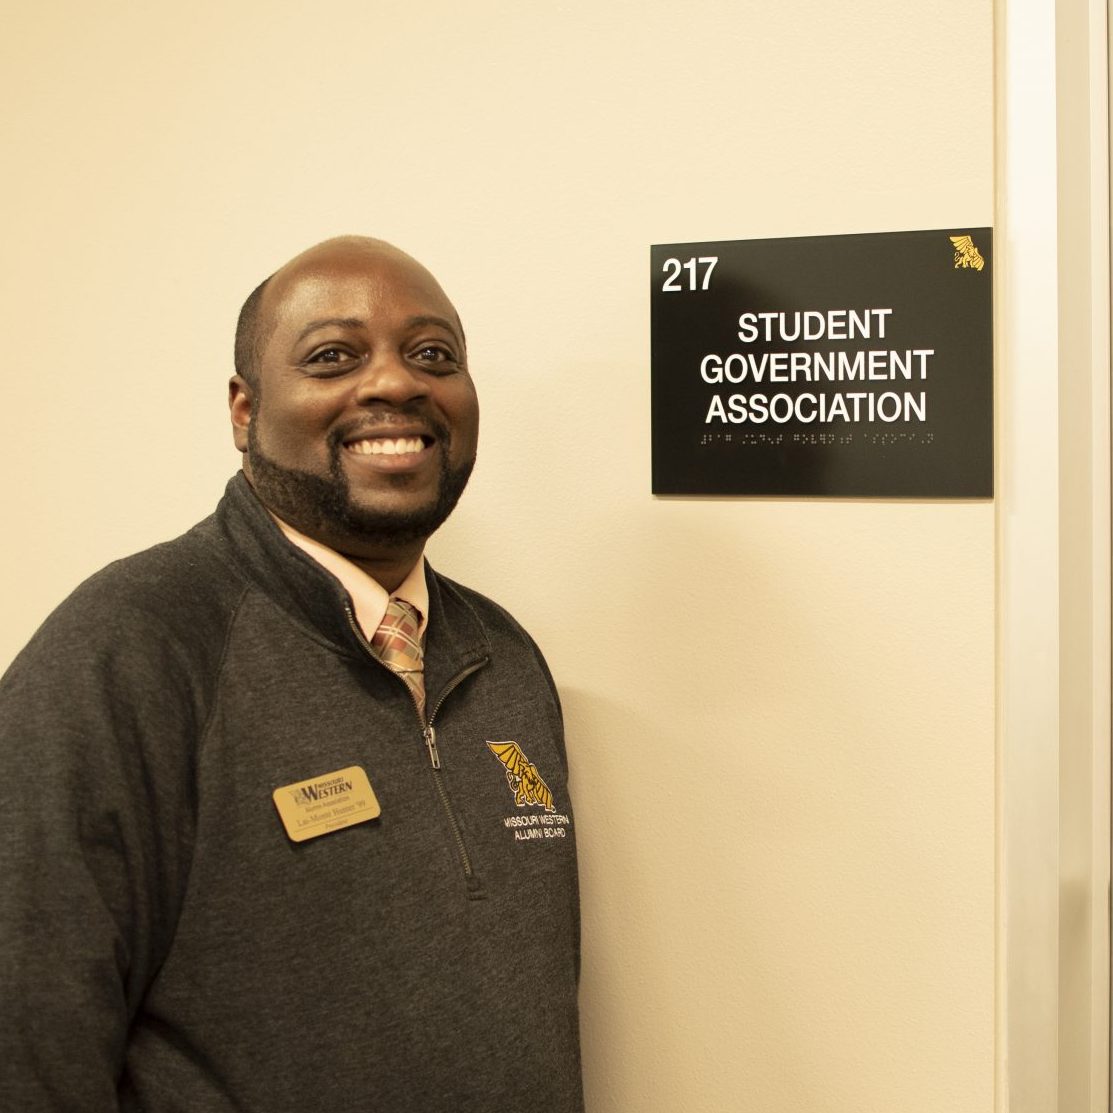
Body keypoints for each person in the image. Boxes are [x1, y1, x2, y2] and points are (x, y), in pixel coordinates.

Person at [0, 237, 584, 1112]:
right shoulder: (129, 648)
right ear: (244, 410)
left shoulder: (504, 658)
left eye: (434, 354)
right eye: (332, 357)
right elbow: (27, 1035)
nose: (395, 383)